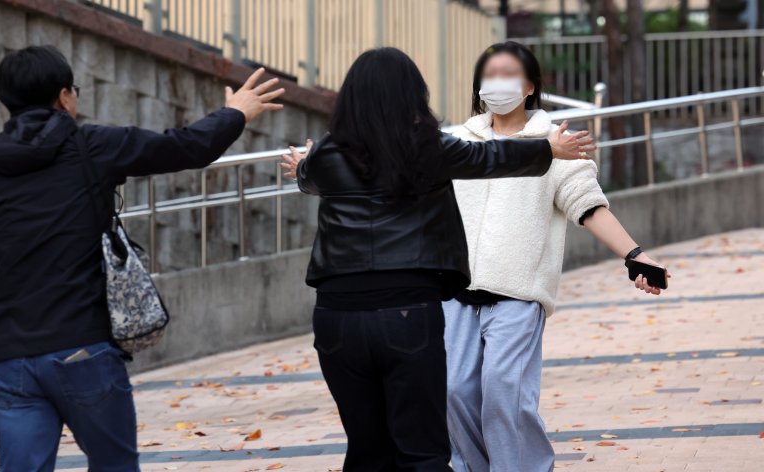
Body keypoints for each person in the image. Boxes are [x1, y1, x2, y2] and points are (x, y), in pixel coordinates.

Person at [0, 45, 284, 471]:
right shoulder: (91, 146)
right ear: (64, 97)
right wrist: (236, 112)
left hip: (9, 355)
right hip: (81, 346)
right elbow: (186, 147)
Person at [279, 47, 595, 472]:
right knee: (422, 450)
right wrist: (547, 150)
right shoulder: (425, 147)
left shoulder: (328, 155)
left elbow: (308, 176)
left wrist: (304, 164)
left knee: (366, 449)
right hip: (407, 310)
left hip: (336, 317)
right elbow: (488, 159)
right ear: (413, 94)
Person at [443, 41, 667, 472]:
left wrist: (635, 255)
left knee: (502, 391)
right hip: (455, 294)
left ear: (528, 86)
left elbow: (589, 205)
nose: (496, 84)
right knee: (454, 391)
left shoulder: (556, 146)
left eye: (507, 74)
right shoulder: (457, 142)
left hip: (518, 295)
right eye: (488, 75)